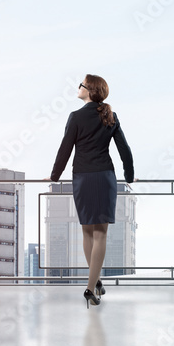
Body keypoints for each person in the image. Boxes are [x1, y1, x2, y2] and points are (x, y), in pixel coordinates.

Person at [49, 74, 134, 307]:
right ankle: (92, 284)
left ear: (90, 90)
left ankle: (91, 285)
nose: (78, 87)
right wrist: (129, 175)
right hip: (105, 176)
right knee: (101, 233)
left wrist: (55, 176)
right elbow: (124, 149)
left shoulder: (75, 117)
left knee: (87, 231)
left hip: (83, 178)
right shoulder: (110, 116)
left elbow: (64, 149)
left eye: (81, 85)